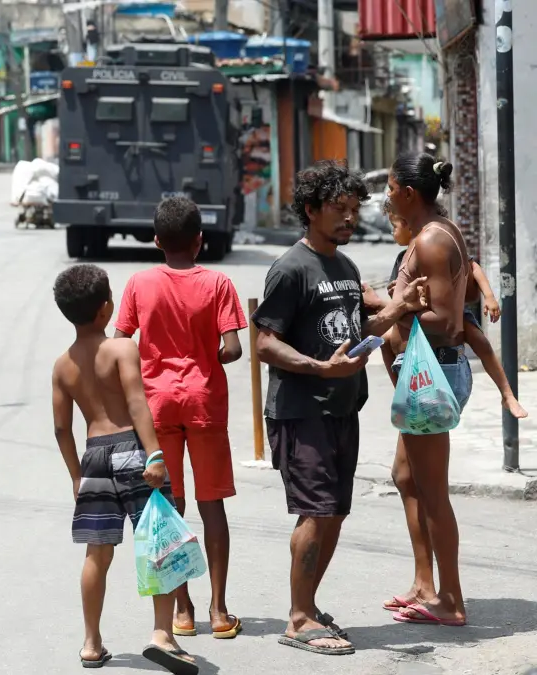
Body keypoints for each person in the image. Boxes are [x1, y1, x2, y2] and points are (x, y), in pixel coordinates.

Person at [251, 160, 428, 656]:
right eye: (338, 209)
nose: (349, 218)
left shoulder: (346, 268)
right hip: (301, 410)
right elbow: (265, 343)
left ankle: (309, 605)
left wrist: (397, 308)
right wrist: (317, 368)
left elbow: (358, 332)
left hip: (340, 407)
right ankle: (298, 618)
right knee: (315, 512)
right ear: (310, 211)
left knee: (333, 513)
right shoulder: (291, 268)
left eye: (354, 209)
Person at [51, 264, 199, 674]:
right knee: (160, 543)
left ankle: (91, 643)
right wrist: (154, 455)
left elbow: (62, 428)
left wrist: (76, 477)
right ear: (106, 309)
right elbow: (137, 403)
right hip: (133, 450)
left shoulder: (62, 365)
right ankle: (161, 634)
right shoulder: (122, 349)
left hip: (94, 456)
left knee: (96, 553)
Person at [113, 196, 246, 640]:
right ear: (199, 241)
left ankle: (183, 610)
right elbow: (232, 348)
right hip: (204, 403)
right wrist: (203, 360)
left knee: (169, 507)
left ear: (156, 241)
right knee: (213, 506)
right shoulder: (219, 283)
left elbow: (120, 341)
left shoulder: (138, 283)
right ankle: (221, 610)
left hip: (156, 406)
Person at [361, 154, 474, 628]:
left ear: (409, 192)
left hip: (435, 372)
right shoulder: (436, 231)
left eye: (389, 188)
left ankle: (451, 600)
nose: (385, 197)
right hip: (423, 371)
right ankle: (425, 585)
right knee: (407, 478)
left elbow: (447, 324)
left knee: (432, 490)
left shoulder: (429, 240)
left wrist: (386, 303)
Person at [371, 212, 526, 420]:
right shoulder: (402, 259)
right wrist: (396, 294)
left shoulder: (439, 246)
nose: (392, 232)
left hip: (451, 311)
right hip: (418, 315)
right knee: (387, 340)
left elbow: (473, 267)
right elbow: (396, 296)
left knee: (479, 339)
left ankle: (507, 393)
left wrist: (489, 296)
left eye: (395, 226)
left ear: (410, 226)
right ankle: (399, 393)